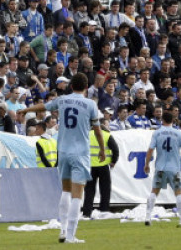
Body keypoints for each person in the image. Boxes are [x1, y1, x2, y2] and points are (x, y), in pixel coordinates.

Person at [18, 71, 105, 244]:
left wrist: (26, 109)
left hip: (63, 151)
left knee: (65, 190)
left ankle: (63, 230)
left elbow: (44, 106)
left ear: (71, 86)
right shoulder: (90, 104)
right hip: (80, 152)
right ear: (86, 87)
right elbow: (97, 129)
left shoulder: (62, 100)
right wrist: (102, 149)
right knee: (77, 194)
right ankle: (71, 236)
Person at [143, 110, 181, 228]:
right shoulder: (178, 133)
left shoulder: (157, 133)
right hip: (174, 168)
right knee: (178, 192)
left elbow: (150, 150)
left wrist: (146, 164)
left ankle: (147, 216)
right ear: (173, 120)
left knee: (154, 191)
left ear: (162, 120)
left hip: (160, 167)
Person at [82, 121, 119, 217]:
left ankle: (87, 212)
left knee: (89, 190)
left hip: (90, 166)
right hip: (103, 166)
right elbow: (115, 149)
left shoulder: (86, 135)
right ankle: (104, 210)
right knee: (105, 190)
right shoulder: (107, 135)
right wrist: (113, 162)